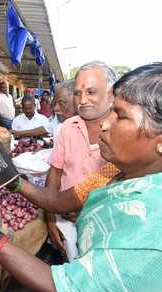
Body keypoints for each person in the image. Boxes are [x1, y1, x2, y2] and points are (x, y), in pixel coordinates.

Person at [0, 61, 162, 292]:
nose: (105, 122)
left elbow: (64, 287)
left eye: (121, 115)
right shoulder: (114, 172)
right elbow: (61, 202)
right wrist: (14, 181)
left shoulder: (157, 233)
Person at [45, 61, 117, 259]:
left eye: (91, 92)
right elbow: (55, 173)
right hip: (66, 222)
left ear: (111, 95)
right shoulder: (67, 127)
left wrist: (88, 212)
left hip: (108, 228)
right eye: (77, 93)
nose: (82, 100)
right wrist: (50, 216)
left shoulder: (123, 130)